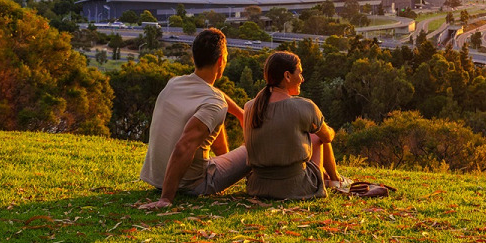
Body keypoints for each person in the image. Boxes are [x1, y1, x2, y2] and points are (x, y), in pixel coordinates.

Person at [136, 28, 249, 210]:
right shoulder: (214, 103)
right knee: (254, 146)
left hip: (156, 177)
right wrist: (166, 198)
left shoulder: (175, 82)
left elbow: (214, 94)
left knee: (210, 118)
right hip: (193, 185)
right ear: (221, 60)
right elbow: (184, 146)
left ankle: (225, 160)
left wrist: (239, 113)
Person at [244, 50, 345, 200]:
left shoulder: (250, 106)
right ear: (287, 76)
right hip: (296, 187)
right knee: (318, 138)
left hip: (257, 186)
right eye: (300, 73)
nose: (302, 79)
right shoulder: (304, 106)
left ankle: (333, 179)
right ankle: (336, 180)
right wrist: (326, 127)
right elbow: (327, 137)